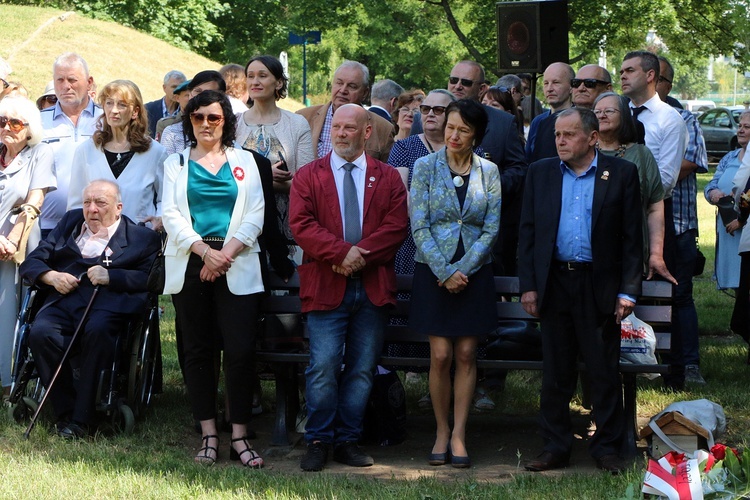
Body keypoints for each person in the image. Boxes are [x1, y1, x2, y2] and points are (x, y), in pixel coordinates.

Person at [519, 108, 642, 474]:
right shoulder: (540, 173)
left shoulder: (621, 174)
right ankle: (555, 446)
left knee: (603, 371)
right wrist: (529, 286)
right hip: (555, 283)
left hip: (598, 284)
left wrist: (628, 292)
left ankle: (606, 448)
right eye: (557, 134)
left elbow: (632, 239)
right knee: (556, 371)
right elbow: (528, 234)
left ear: (592, 138)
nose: (560, 141)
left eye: (569, 135)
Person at [289, 104, 408, 472]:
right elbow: (302, 225)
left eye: (349, 128)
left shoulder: (387, 177)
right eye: (336, 127)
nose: (341, 133)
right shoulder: (309, 176)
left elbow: (396, 226)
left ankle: (348, 440)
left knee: (361, 368)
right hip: (326, 283)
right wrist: (342, 254)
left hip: (372, 287)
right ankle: (319, 439)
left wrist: (360, 256)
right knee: (323, 366)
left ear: (367, 132)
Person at [162, 90, 265, 467]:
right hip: (192, 263)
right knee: (198, 352)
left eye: (214, 117)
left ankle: (239, 434)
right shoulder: (175, 163)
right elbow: (170, 215)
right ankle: (208, 433)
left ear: (226, 121)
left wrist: (224, 255)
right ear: (189, 121)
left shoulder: (247, 162)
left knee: (239, 351)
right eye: (197, 117)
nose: (205, 124)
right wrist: (206, 253)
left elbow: (256, 213)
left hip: (237, 261)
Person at [21, 180, 160, 438]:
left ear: (118, 207)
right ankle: (66, 412)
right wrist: (51, 277)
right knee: (40, 333)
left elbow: (151, 280)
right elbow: (32, 262)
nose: (92, 209)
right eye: (87, 202)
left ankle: (83, 419)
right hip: (65, 298)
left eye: (100, 203)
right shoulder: (69, 224)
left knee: (98, 330)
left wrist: (112, 276)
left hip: (108, 302)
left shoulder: (142, 238)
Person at [409, 99, 501, 468]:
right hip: (433, 271)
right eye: (450, 127)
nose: (453, 135)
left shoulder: (489, 171)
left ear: (476, 134)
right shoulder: (424, 166)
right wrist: (445, 271)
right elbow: (419, 224)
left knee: (466, 354)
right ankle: (441, 430)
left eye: (463, 129)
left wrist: (464, 268)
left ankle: (460, 434)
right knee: (441, 355)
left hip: (474, 273)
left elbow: (491, 227)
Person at [620, 50, 688, 390]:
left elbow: (665, 180)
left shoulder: (669, 119)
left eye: (629, 70)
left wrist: (622, 186)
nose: (622, 76)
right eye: (620, 70)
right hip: (615, 220)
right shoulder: (619, 114)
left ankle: (669, 373)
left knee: (660, 299)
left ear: (651, 75)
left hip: (654, 213)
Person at [445, 60, 527, 276]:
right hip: (439, 235)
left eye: (465, 82)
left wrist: (490, 185)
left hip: (487, 232)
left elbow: (518, 168)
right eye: (453, 80)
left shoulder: (502, 122)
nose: (457, 86)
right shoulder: (430, 116)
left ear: (482, 89)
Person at [656, 55, 709, 386]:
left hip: (677, 225)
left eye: (655, 77)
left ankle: (687, 364)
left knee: (680, 295)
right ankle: (645, 358)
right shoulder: (628, 118)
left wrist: (649, 175)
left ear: (665, 84)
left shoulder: (685, 119)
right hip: (636, 227)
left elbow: (693, 160)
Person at [0, 96, 56, 396]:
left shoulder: (40, 153)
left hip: (17, 244)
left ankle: (9, 384)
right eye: (2, 122)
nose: (7, 127)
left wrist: (11, 239)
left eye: (15, 123)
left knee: (8, 312)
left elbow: (35, 200)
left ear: (29, 128)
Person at [235, 55, 314, 260]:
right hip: (241, 225)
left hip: (289, 219)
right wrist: (265, 175)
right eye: (250, 76)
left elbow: (307, 182)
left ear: (279, 82)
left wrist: (254, 179)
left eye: (263, 75)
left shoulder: (297, 124)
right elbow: (225, 177)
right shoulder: (233, 124)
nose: (255, 81)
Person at [593, 92, 674, 283]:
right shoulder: (583, 154)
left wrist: (655, 254)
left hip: (631, 254)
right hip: (590, 257)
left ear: (624, 115)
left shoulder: (641, 154)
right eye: (596, 111)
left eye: (609, 111)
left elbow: (654, 207)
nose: (601, 115)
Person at [67, 80, 167, 231]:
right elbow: (75, 204)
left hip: (140, 239)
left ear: (135, 112)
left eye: (122, 105)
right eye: (109, 103)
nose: (114, 110)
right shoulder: (86, 150)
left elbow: (165, 199)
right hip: (95, 242)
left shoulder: (155, 152)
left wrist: (159, 219)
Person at [39, 53, 103, 237]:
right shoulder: (38, 122)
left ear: (89, 82)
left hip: (96, 227)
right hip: (46, 227)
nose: (65, 86)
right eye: (60, 80)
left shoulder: (106, 119)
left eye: (72, 80)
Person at [296, 60, 395, 162]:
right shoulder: (302, 117)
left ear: (365, 93)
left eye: (352, 86)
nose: (343, 90)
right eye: (339, 83)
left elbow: (387, 173)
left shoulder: (383, 129)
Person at [705, 110, 750, 291]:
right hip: (727, 228)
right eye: (740, 126)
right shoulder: (729, 158)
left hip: (746, 229)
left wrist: (741, 219)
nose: (740, 130)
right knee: (736, 283)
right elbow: (710, 185)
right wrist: (713, 193)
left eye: (747, 127)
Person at [160, 70, 226, 155]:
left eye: (209, 93)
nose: (201, 97)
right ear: (190, 94)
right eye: (198, 91)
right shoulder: (173, 133)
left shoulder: (232, 132)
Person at [526, 62, 574, 163]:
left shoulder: (580, 119)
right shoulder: (538, 122)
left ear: (571, 87)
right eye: (546, 83)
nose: (549, 89)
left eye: (556, 82)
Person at [144, 70, 186, 138]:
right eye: (174, 87)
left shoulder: (186, 112)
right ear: (164, 88)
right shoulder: (148, 109)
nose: (177, 90)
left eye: (181, 87)